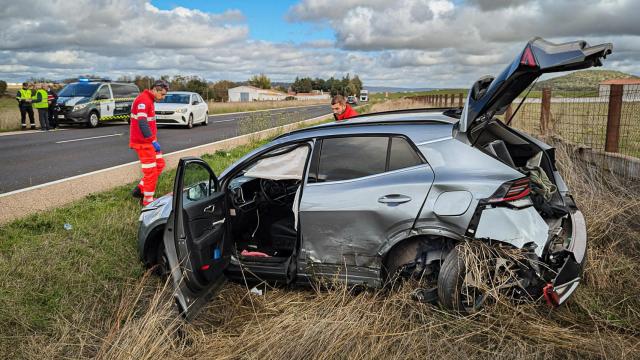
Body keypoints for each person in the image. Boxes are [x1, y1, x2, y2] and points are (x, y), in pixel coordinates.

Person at [129, 80, 169, 206]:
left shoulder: (148, 99)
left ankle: (140, 189)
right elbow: (142, 122)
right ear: (155, 90)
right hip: (144, 143)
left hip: (150, 141)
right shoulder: (144, 100)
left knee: (160, 165)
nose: (163, 97)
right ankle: (148, 202)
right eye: (162, 94)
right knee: (150, 172)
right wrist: (152, 141)